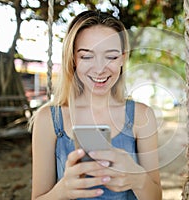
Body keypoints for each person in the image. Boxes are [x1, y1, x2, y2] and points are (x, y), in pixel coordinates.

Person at [30, 10, 162, 200]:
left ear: (123, 58)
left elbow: (156, 197)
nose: (100, 69)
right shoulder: (49, 119)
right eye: (86, 56)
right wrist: (63, 190)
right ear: (73, 59)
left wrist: (137, 179)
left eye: (111, 56)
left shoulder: (142, 116)